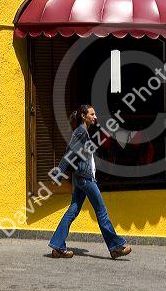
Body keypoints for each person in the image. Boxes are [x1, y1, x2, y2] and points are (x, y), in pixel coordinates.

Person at [48, 104, 132, 260]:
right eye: (92, 114)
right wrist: (58, 174)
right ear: (83, 116)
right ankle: (115, 246)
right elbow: (69, 154)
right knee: (101, 211)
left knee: (72, 211)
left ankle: (57, 246)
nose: (95, 117)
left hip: (81, 178)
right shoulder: (80, 132)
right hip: (85, 179)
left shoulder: (83, 132)